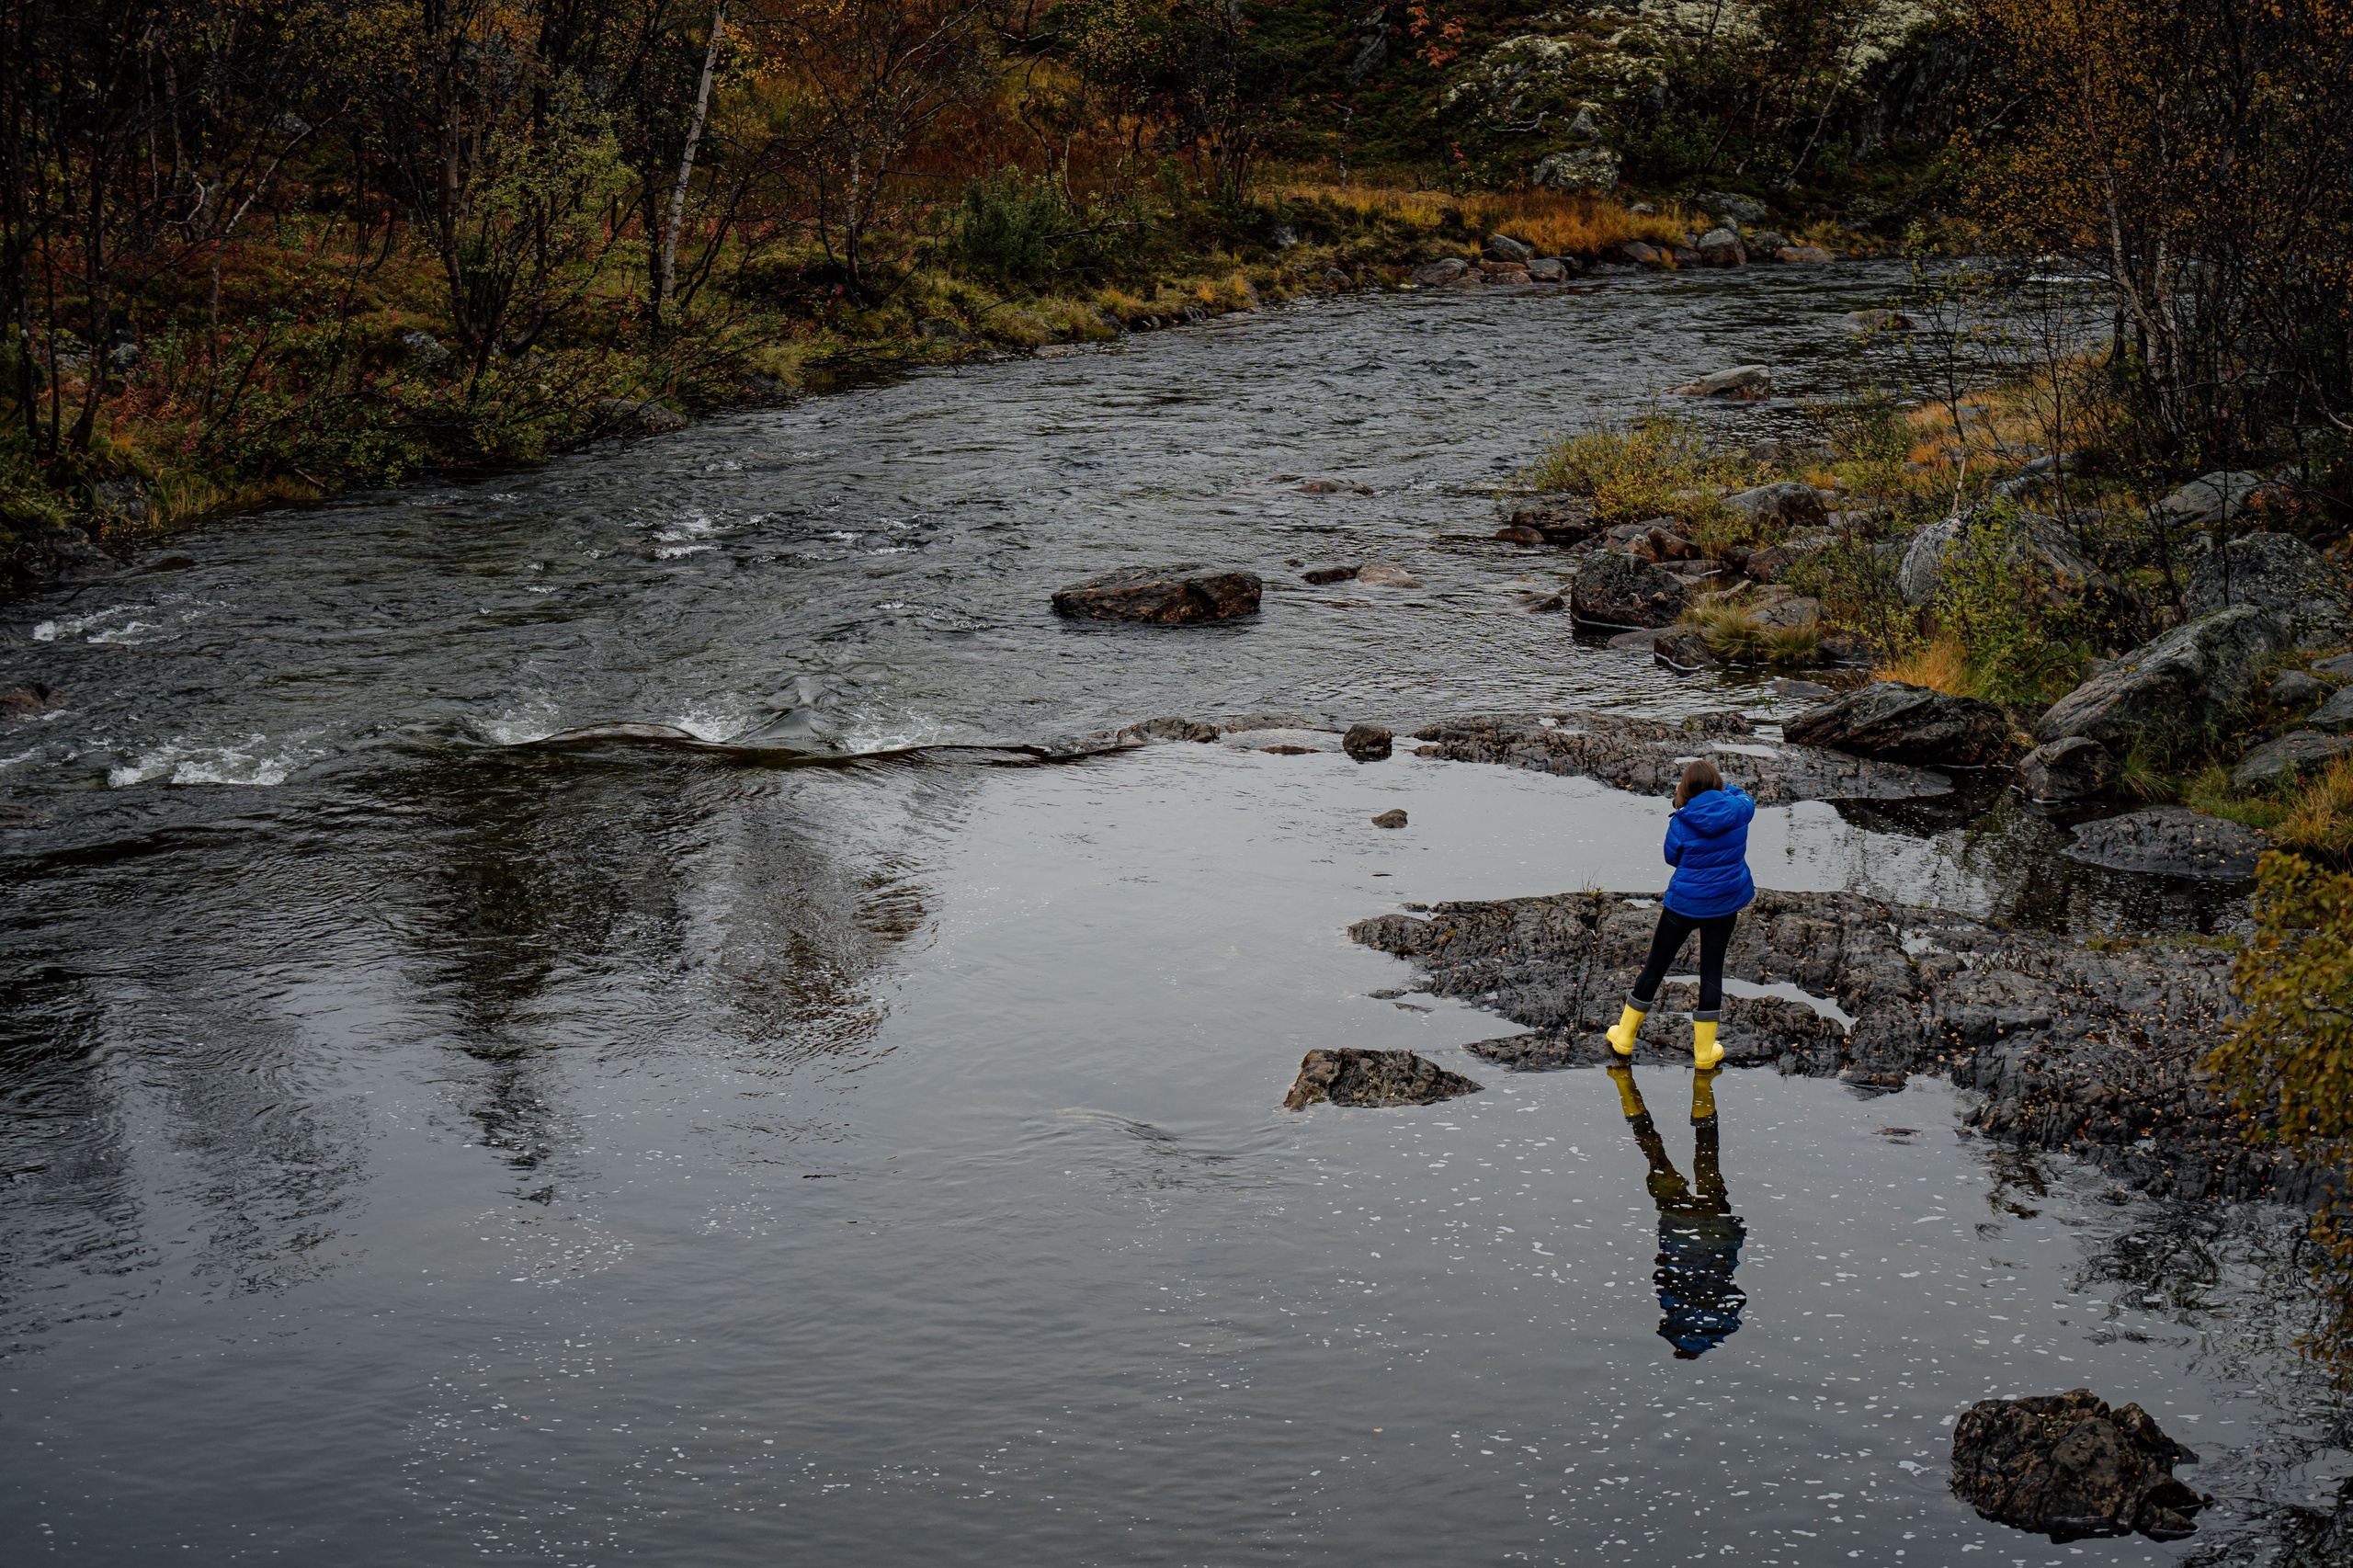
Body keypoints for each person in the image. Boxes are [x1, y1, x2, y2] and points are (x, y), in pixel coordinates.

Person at [1604, 758, 1756, 1070]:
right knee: (1712, 971)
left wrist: (1681, 802)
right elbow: (1744, 796)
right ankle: (1703, 1053)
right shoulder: (1739, 810)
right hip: (1725, 903)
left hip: (1685, 903)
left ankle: (1625, 1037)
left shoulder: (1681, 821)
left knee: (1655, 966)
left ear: (1685, 790)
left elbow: (1672, 857)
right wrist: (1719, 791)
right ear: (1718, 786)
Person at [1606, 1062, 1747, 1358]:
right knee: (1658, 1163)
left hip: (1717, 1234)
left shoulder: (1724, 1324)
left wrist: (1734, 1236)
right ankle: (1625, 1086)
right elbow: (1661, 1279)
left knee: (1708, 1166)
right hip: (1679, 1230)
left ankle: (1703, 1088)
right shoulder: (1675, 1312)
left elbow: (1738, 1296)